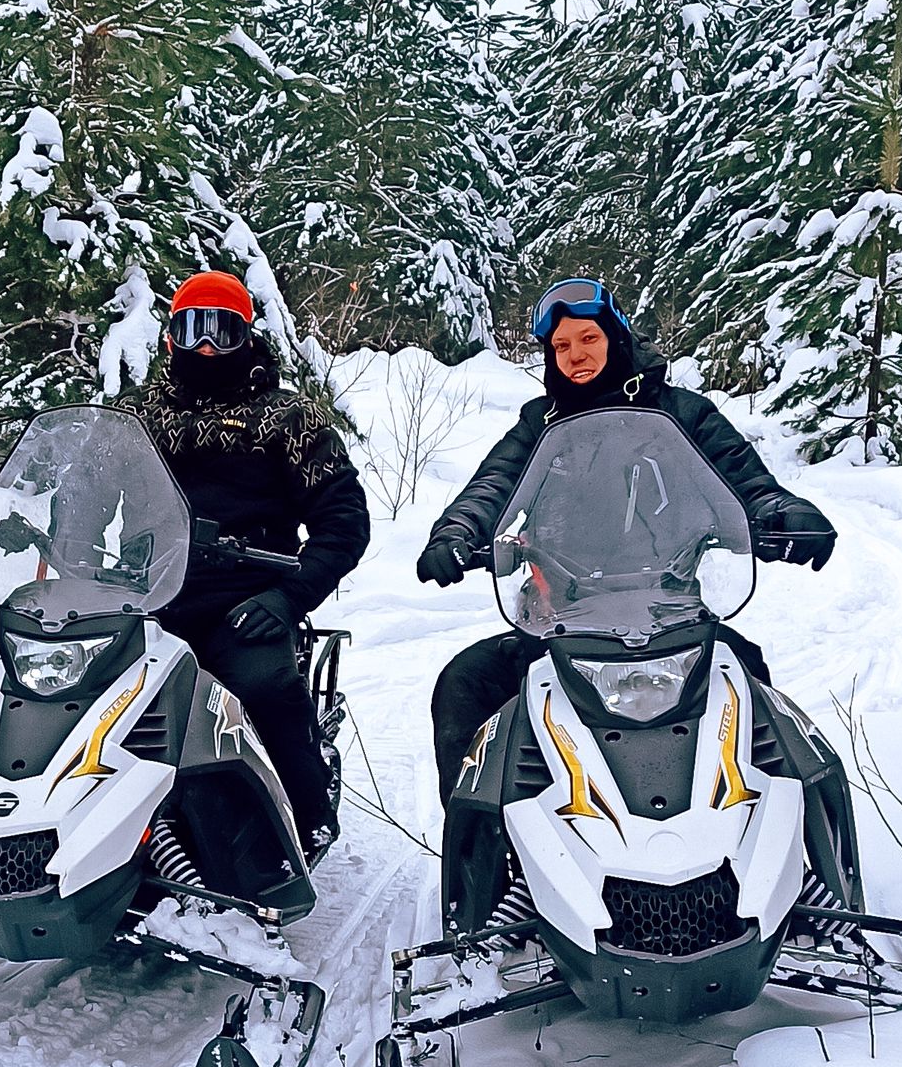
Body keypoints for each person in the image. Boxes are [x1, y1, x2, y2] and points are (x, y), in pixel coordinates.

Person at [417, 276, 837, 804]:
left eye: (587, 338)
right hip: (559, 621)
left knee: (753, 690)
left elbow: (744, 478)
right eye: (561, 346)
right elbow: (492, 485)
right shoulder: (538, 423)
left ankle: (774, 827)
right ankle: (485, 851)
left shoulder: (683, 413)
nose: (575, 355)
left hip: (672, 616)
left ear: (615, 339)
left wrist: (782, 515)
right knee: (464, 683)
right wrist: (459, 532)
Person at [122, 271, 371, 858]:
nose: (206, 346)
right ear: (169, 340)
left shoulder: (290, 419)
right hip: (147, 594)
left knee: (262, 684)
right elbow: (87, 491)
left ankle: (305, 819)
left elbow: (344, 521)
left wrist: (289, 596)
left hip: (246, 596)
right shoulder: (135, 418)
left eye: (222, 331)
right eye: (192, 329)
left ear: (247, 337)